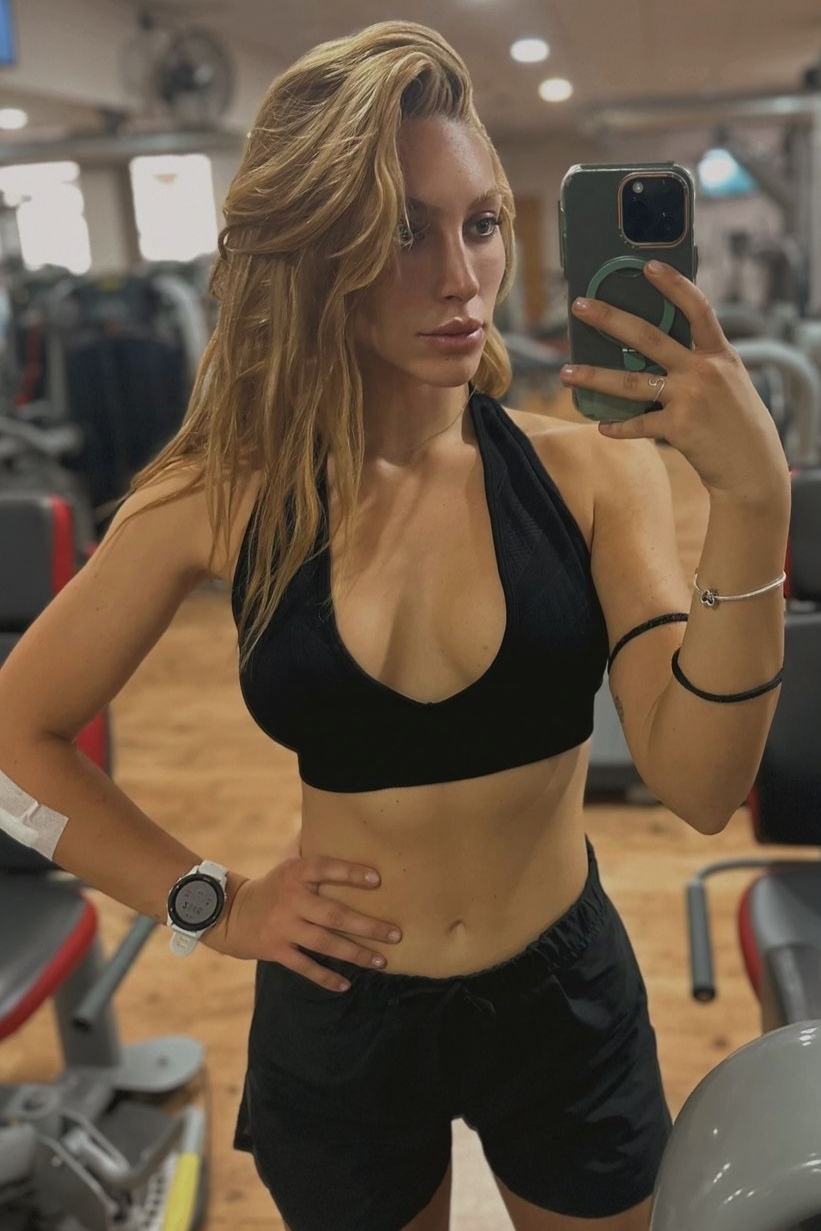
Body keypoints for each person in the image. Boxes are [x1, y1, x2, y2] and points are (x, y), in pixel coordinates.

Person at [0, 19, 790, 1231]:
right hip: (339, 1007)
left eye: (480, 223)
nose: (462, 277)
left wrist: (752, 503)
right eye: (401, 232)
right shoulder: (218, 497)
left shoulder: (590, 474)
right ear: (311, 255)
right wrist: (208, 901)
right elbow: (14, 750)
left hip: (561, 997)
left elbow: (697, 783)